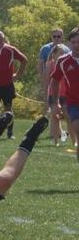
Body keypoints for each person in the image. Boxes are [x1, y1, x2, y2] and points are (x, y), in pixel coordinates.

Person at [50, 27, 79, 159]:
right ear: (69, 43)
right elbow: (55, 81)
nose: (76, 45)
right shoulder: (63, 61)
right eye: (73, 42)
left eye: (78, 42)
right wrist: (55, 103)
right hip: (74, 104)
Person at [45, 44, 75, 146]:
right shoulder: (50, 64)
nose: (62, 55)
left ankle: (73, 141)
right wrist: (47, 94)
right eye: (60, 53)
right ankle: (55, 141)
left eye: (63, 53)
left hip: (65, 94)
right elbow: (48, 80)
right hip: (53, 94)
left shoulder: (66, 63)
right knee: (55, 116)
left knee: (68, 117)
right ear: (54, 54)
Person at [38, 28, 70, 99]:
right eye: (54, 36)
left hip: (62, 80)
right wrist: (42, 77)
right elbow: (40, 64)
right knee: (49, 100)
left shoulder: (66, 49)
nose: (56, 38)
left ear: (62, 37)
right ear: (51, 37)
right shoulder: (45, 48)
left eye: (58, 36)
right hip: (48, 78)